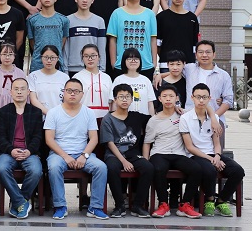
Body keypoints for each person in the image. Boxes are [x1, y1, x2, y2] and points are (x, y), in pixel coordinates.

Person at [44, 78, 108, 220]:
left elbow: (94, 138)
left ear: (82, 94)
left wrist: (84, 156)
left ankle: (95, 207)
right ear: (63, 92)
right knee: (54, 167)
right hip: (59, 154)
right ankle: (60, 206)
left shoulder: (89, 113)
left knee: (101, 167)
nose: (72, 94)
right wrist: (65, 156)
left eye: (76, 91)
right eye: (69, 90)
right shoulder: (53, 112)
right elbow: (49, 139)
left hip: (82, 153)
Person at [180, 83, 244, 218]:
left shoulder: (213, 118)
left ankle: (221, 201)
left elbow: (216, 144)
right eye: (198, 97)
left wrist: (217, 156)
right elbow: (189, 147)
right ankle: (209, 200)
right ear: (192, 98)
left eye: (204, 97)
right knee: (210, 170)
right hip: (195, 155)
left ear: (210, 98)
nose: (201, 100)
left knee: (238, 171)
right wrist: (212, 159)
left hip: (213, 154)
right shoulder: (185, 118)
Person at [142, 84, 202, 219]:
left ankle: (185, 205)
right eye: (164, 96)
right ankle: (163, 204)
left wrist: (214, 119)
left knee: (196, 169)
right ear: (159, 99)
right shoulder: (153, 120)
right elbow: (147, 143)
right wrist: (146, 161)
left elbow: (203, 109)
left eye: (171, 96)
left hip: (179, 154)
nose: (168, 99)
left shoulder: (184, 115)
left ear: (177, 98)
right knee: (158, 168)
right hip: (159, 153)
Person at [99, 83, 153, 218]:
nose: (124, 100)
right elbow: (110, 143)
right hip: (114, 154)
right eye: (121, 97)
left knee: (148, 168)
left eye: (127, 97)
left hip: (133, 154)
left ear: (132, 99)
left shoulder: (137, 117)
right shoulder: (108, 119)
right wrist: (123, 161)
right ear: (115, 99)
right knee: (112, 168)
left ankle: (138, 206)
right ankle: (119, 206)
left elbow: (156, 119)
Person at [0, 77, 43, 219]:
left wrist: (29, 151)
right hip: (8, 152)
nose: (19, 92)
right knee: (2, 168)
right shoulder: (3, 111)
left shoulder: (36, 112)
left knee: (36, 170)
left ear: (28, 92)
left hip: (29, 152)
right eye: (16, 89)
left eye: (22, 89)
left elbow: (38, 137)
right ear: (11, 92)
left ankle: (18, 201)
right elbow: (0, 136)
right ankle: (21, 202)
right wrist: (11, 150)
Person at [181, 40, 234, 147]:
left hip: (215, 120)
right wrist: (159, 75)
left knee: (216, 152)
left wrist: (214, 117)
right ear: (196, 54)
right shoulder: (189, 69)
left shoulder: (223, 75)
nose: (204, 55)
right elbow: (174, 71)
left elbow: (228, 100)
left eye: (208, 52)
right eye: (200, 52)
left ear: (214, 54)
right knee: (189, 152)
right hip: (190, 119)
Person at [107, 0, 158, 79]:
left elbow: (153, 39)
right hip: (121, 65)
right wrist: (114, 63)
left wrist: (154, 63)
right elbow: (112, 40)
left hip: (145, 66)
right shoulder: (117, 13)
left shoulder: (149, 14)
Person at [65, 0, 106, 75]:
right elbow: (65, 48)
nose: (85, 0)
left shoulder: (99, 21)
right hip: (73, 68)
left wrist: (102, 69)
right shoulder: (67, 20)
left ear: (92, 0)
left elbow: (101, 47)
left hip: (94, 68)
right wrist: (65, 70)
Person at [26, 0, 69, 73]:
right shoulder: (32, 20)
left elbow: (63, 40)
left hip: (57, 63)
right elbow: (32, 42)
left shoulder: (64, 20)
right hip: (37, 63)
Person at [157, 0, 199, 68]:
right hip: (167, 63)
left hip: (188, 64)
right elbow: (157, 44)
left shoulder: (192, 18)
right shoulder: (161, 17)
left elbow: (195, 44)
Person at [0, 43, 27, 124]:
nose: (7, 57)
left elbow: (25, 96)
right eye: (4, 54)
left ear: (14, 56)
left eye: (10, 54)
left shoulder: (20, 73)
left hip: (16, 114)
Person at [111, 48, 157, 115]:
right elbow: (114, 103)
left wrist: (151, 119)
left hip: (143, 118)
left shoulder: (146, 80)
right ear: (124, 61)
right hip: (123, 118)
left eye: (136, 59)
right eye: (129, 58)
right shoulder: (118, 80)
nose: (133, 61)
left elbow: (150, 104)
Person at [28, 45, 70, 116]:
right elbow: (33, 99)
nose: (49, 61)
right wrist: (49, 114)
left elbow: (67, 99)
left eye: (52, 58)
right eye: (46, 57)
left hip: (60, 115)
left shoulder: (64, 77)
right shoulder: (33, 76)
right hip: (39, 116)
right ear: (41, 58)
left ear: (58, 58)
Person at [74, 44, 112, 119]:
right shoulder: (77, 77)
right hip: (83, 118)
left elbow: (111, 101)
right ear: (82, 59)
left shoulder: (107, 78)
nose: (90, 59)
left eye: (93, 55)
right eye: (86, 56)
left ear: (99, 57)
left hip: (105, 119)